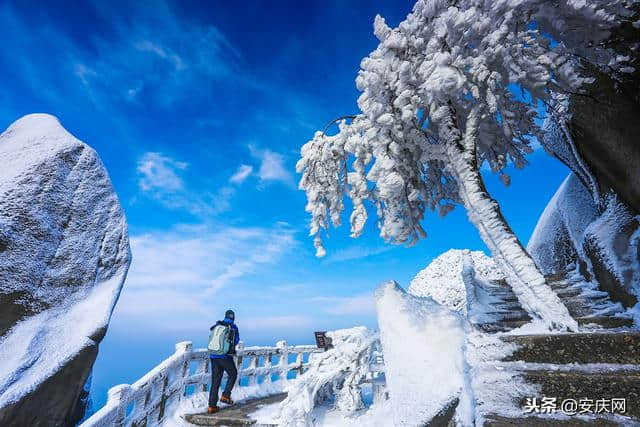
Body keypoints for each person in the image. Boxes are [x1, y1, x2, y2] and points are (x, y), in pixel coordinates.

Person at [208, 309, 240, 414]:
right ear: (233, 317)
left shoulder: (217, 325)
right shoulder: (233, 327)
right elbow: (236, 341)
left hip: (213, 356)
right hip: (225, 357)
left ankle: (211, 407)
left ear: (225, 316)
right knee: (233, 374)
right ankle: (225, 395)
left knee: (215, 381)